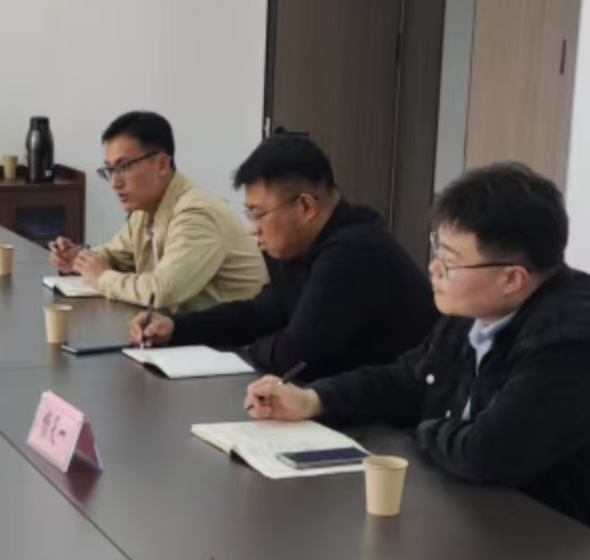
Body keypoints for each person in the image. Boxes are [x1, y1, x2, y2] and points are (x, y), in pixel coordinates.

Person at [243, 162, 590, 544]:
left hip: (589, 549)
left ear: (512, 278)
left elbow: (486, 452)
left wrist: (421, 432)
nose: (434, 268)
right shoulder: (478, 306)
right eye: (438, 250)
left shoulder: (576, 343)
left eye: (450, 261)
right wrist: (313, 399)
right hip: (495, 514)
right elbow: (409, 378)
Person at [128, 135, 435, 379]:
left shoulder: (354, 252)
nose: (253, 228)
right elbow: (262, 314)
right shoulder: (296, 244)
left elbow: (295, 355)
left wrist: (248, 350)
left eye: (259, 214)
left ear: (306, 207)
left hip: (398, 422)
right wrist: (177, 328)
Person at [48, 112, 266, 313]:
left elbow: (162, 291)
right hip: (183, 331)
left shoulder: (197, 214)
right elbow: (115, 255)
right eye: (110, 170)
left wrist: (103, 278)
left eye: (124, 167)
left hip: (233, 340)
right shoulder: (144, 210)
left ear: (162, 164)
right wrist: (78, 259)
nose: (114, 182)